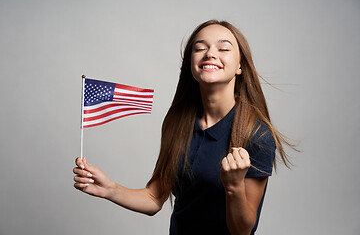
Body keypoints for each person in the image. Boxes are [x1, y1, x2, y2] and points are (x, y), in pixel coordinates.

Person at [73, 20, 292, 235]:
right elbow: (154, 198)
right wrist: (109, 189)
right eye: (200, 48)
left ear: (240, 66)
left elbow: (242, 230)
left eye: (223, 48)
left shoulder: (257, 134)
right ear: (191, 63)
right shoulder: (177, 122)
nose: (210, 54)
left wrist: (234, 186)